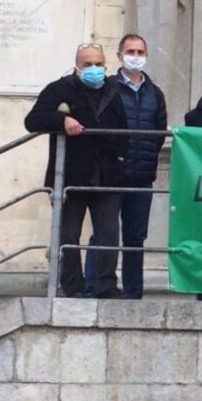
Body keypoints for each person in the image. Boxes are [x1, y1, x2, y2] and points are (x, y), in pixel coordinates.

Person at [24, 43, 128, 298]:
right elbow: (32, 120)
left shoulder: (113, 91)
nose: (94, 69)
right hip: (70, 176)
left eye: (98, 64)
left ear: (106, 66)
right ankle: (73, 287)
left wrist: (121, 156)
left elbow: (123, 127)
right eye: (88, 64)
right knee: (68, 234)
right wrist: (62, 120)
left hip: (106, 177)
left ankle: (106, 286)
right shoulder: (59, 89)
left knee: (109, 234)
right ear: (77, 67)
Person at [84, 34, 167, 299]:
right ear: (119, 55)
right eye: (130, 50)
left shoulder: (155, 92)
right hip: (110, 175)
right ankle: (92, 288)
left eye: (140, 51)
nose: (135, 55)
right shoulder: (106, 88)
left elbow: (160, 131)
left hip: (141, 175)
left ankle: (133, 294)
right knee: (103, 235)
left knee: (135, 239)